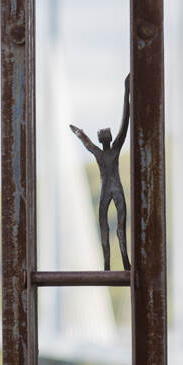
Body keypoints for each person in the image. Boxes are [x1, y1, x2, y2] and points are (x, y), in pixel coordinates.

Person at [70, 73, 131, 271]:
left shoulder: (111, 149)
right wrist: (78, 132)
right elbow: (86, 140)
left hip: (110, 189)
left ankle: (122, 261)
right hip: (111, 189)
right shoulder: (105, 152)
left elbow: (125, 121)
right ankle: (108, 264)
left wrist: (126, 93)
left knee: (118, 227)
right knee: (106, 227)